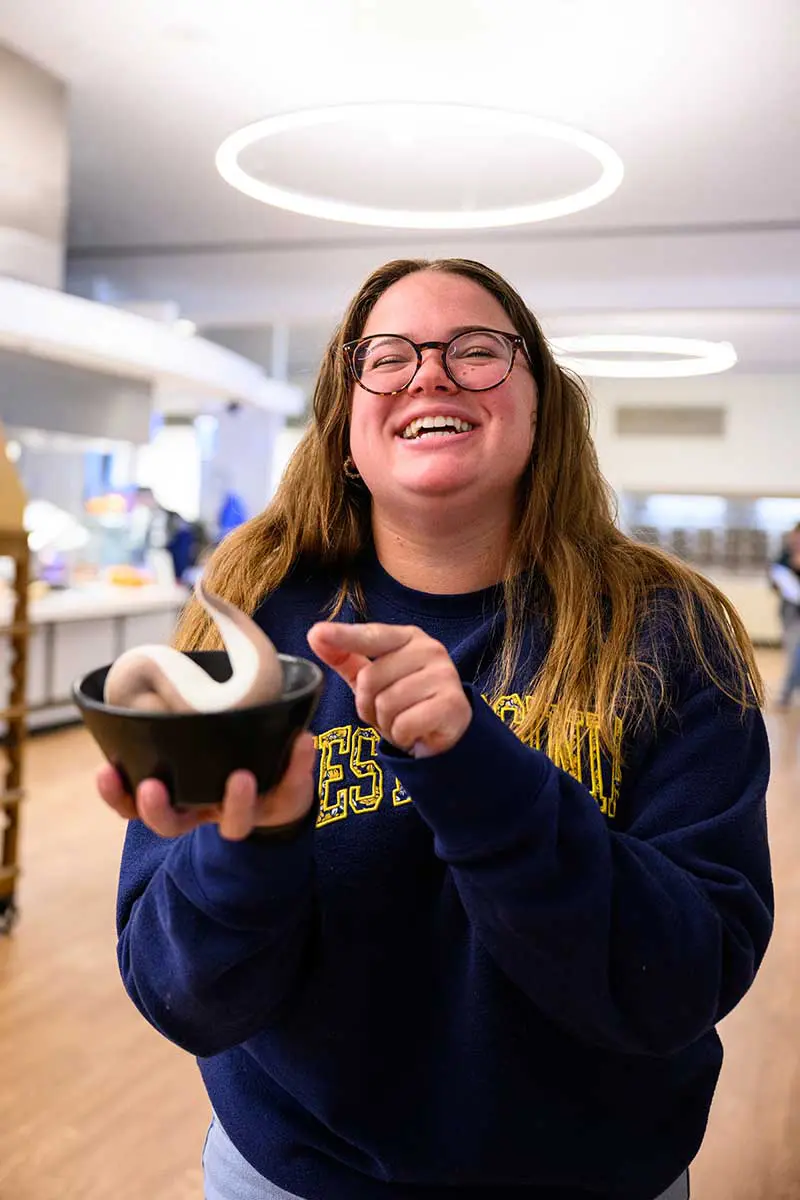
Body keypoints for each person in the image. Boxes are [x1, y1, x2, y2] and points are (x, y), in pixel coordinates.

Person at [98, 259, 773, 1200]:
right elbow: (182, 994)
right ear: (343, 429)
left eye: (478, 350)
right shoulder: (252, 624)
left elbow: (687, 976)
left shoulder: (669, 630)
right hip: (294, 1179)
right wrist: (250, 849)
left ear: (541, 410)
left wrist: (476, 773)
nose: (431, 374)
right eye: (389, 356)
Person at [769, 523, 800, 707]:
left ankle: (787, 693)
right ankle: (787, 692)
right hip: (791, 612)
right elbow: (775, 580)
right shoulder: (784, 556)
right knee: (794, 651)